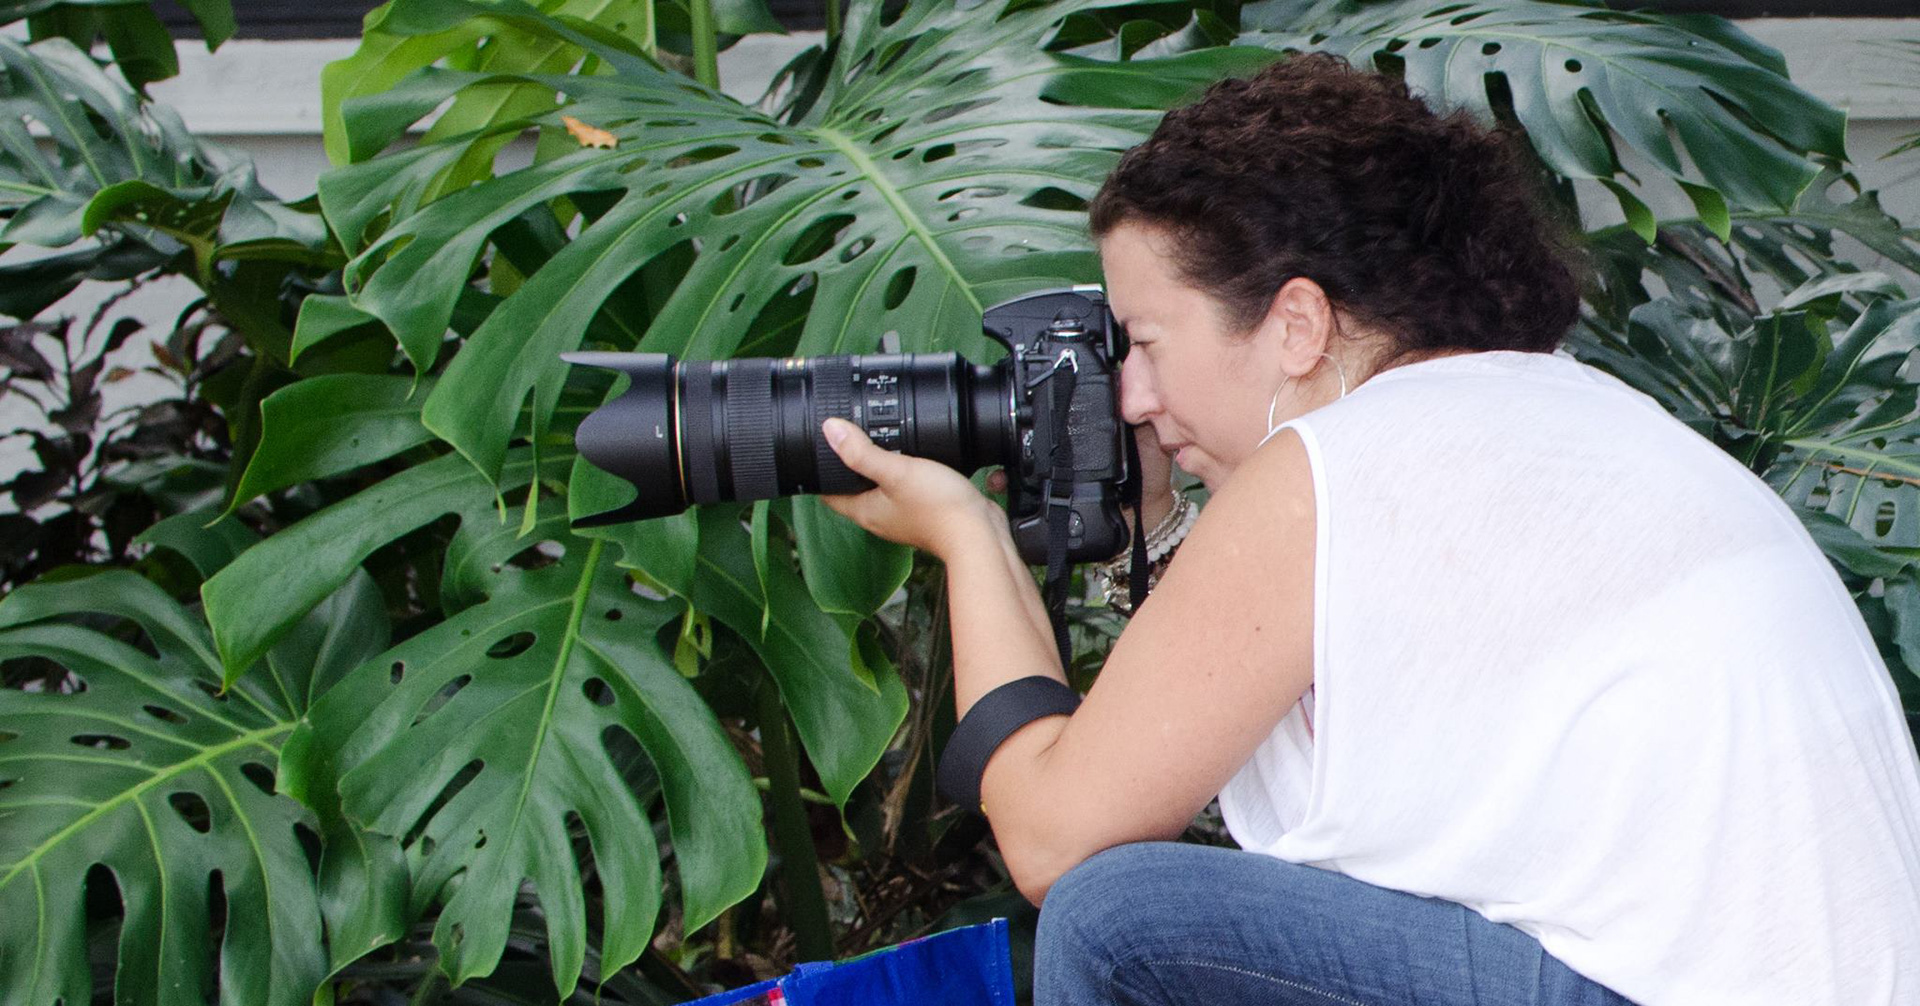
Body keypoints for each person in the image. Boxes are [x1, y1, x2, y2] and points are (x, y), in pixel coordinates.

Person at [819, 53, 1920, 1005]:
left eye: (1146, 340)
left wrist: (966, 537)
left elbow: (1060, 838)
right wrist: (1148, 519)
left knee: (1122, 914)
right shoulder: (1547, 413)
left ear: (1297, 323)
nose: (1134, 395)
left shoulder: (1333, 466)